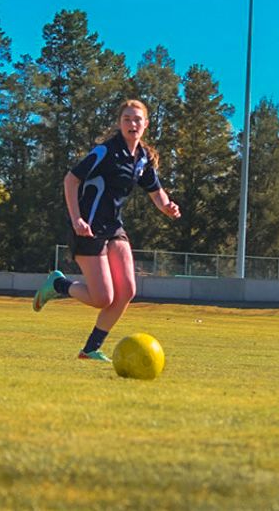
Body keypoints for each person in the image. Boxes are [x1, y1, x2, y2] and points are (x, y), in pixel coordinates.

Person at [33, 99, 181, 361]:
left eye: (137, 119)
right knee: (103, 297)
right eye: (127, 119)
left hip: (114, 228)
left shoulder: (142, 159)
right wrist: (77, 219)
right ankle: (57, 284)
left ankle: (90, 349)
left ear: (146, 124)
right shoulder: (105, 152)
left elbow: (156, 192)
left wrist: (167, 206)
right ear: (119, 123)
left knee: (126, 292)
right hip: (88, 227)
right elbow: (70, 179)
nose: (132, 124)